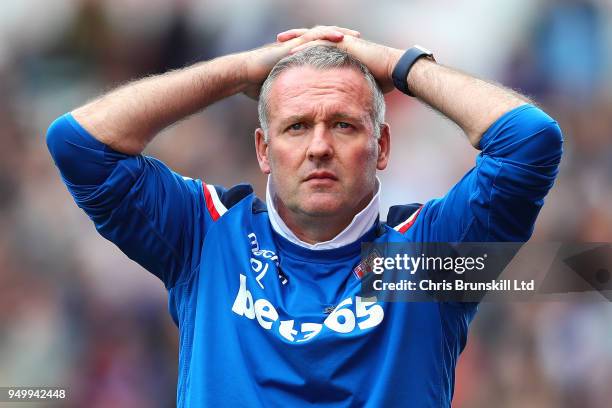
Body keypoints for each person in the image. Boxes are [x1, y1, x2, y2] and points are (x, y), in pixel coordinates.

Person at [46, 26, 562, 407]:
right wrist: (240, 70)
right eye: (295, 127)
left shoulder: (425, 259)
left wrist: (398, 66)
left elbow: (529, 142)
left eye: (342, 125)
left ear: (381, 145)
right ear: (263, 150)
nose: (319, 147)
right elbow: (80, 144)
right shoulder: (204, 237)